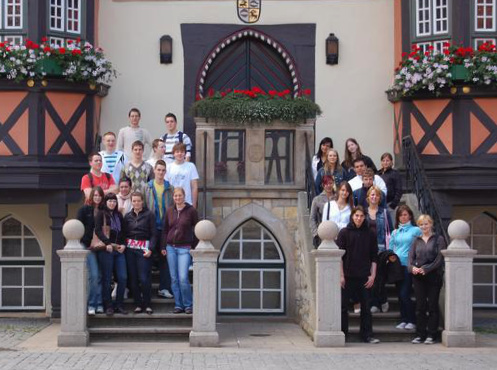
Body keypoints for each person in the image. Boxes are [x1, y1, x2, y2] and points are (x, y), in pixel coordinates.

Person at [337, 206, 380, 344]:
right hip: (348, 275)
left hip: (364, 275)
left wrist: (373, 275)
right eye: (356, 216)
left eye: (361, 216)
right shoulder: (344, 233)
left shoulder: (370, 233)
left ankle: (367, 335)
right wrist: (341, 275)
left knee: (366, 307)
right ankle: (343, 333)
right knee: (343, 307)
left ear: (364, 217)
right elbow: (340, 257)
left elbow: (374, 256)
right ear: (352, 217)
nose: (359, 218)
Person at [161, 187, 198, 314]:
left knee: (183, 277)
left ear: (184, 196)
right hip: (170, 247)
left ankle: (188, 304)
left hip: (185, 248)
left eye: (180, 195)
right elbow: (165, 230)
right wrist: (163, 246)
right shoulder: (169, 211)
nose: (177, 198)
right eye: (175, 196)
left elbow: (196, 229)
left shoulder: (191, 211)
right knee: (174, 278)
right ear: (173, 197)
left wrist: (194, 246)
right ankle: (178, 304)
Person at [409, 215, 445, 344]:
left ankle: (432, 334)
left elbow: (439, 259)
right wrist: (412, 268)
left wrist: (427, 269)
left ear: (431, 224)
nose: (424, 227)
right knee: (420, 306)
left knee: (432, 306)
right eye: (421, 224)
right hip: (418, 277)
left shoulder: (438, 239)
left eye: (426, 224)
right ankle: (420, 334)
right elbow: (410, 259)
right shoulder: (416, 240)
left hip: (433, 276)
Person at [144, 160, 174, 299]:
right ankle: (146, 290)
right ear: (154, 171)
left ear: (165, 172)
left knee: (164, 258)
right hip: (151, 227)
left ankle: (164, 288)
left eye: (163, 170)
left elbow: (173, 207)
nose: (161, 172)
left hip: (165, 227)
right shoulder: (147, 187)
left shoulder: (170, 188)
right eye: (158, 170)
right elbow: (143, 206)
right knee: (148, 259)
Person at [94, 193, 128, 316]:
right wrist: (107, 242)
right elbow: (97, 230)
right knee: (107, 278)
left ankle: (119, 304)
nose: (112, 203)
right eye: (110, 201)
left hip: (118, 250)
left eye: (114, 201)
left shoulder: (119, 215)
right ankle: (108, 305)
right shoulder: (101, 214)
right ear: (106, 202)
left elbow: (124, 232)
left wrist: (124, 244)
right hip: (106, 249)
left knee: (123, 277)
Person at [390, 205, 422, 331]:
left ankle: (412, 320)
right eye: (400, 215)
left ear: (409, 216)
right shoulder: (395, 232)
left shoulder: (416, 230)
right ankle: (404, 320)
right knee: (399, 294)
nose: (403, 217)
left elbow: (420, 247)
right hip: (396, 267)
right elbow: (391, 248)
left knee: (405, 294)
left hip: (408, 266)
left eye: (405, 214)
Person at [124, 192, 157, 314]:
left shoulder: (149, 215)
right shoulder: (127, 216)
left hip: (144, 249)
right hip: (130, 250)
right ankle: (138, 304)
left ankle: (147, 304)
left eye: (138, 201)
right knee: (133, 279)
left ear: (142, 201)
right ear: (131, 202)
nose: (136, 203)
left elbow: (154, 234)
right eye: (134, 201)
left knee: (144, 278)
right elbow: (124, 234)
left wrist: (151, 249)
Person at [76, 186, 104, 316]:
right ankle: (92, 304)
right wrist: (85, 242)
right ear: (91, 196)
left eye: (100, 195)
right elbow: (77, 228)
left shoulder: (104, 211)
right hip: (87, 247)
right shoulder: (84, 210)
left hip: (102, 246)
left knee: (100, 276)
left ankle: (99, 303)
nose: (97, 198)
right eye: (95, 195)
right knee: (93, 275)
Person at [365, 186, 394, 314]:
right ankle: (380, 301)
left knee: (379, 277)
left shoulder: (384, 212)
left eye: (376, 195)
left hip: (382, 248)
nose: (374, 197)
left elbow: (391, 231)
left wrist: (390, 250)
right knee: (370, 276)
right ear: (368, 197)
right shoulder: (363, 213)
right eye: (372, 195)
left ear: (379, 198)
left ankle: (378, 302)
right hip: (367, 248)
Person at [166, 143, 199, 208]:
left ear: (185, 153)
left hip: (187, 203)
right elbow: (166, 187)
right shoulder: (168, 167)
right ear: (174, 154)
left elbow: (194, 187)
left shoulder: (191, 166)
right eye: (177, 152)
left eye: (182, 151)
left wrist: (194, 205)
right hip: (172, 204)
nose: (179, 154)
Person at [310, 175, 336, 248]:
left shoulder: (337, 198)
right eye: (326, 184)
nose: (328, 186)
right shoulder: (317, 199)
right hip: (321, 232)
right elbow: (312, 218)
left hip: (335, 231)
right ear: (323, 185)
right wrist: (315, 233)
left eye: (330, 183)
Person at [377, 153, 402, 223]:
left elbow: (399, 189)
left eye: (387, 160)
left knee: (392, 225)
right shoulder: (378, 174)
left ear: (391, 162)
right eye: (383, 160)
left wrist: (393, 205)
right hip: (379, 204)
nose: (385, 162)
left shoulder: (395, 173)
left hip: (390, 204)